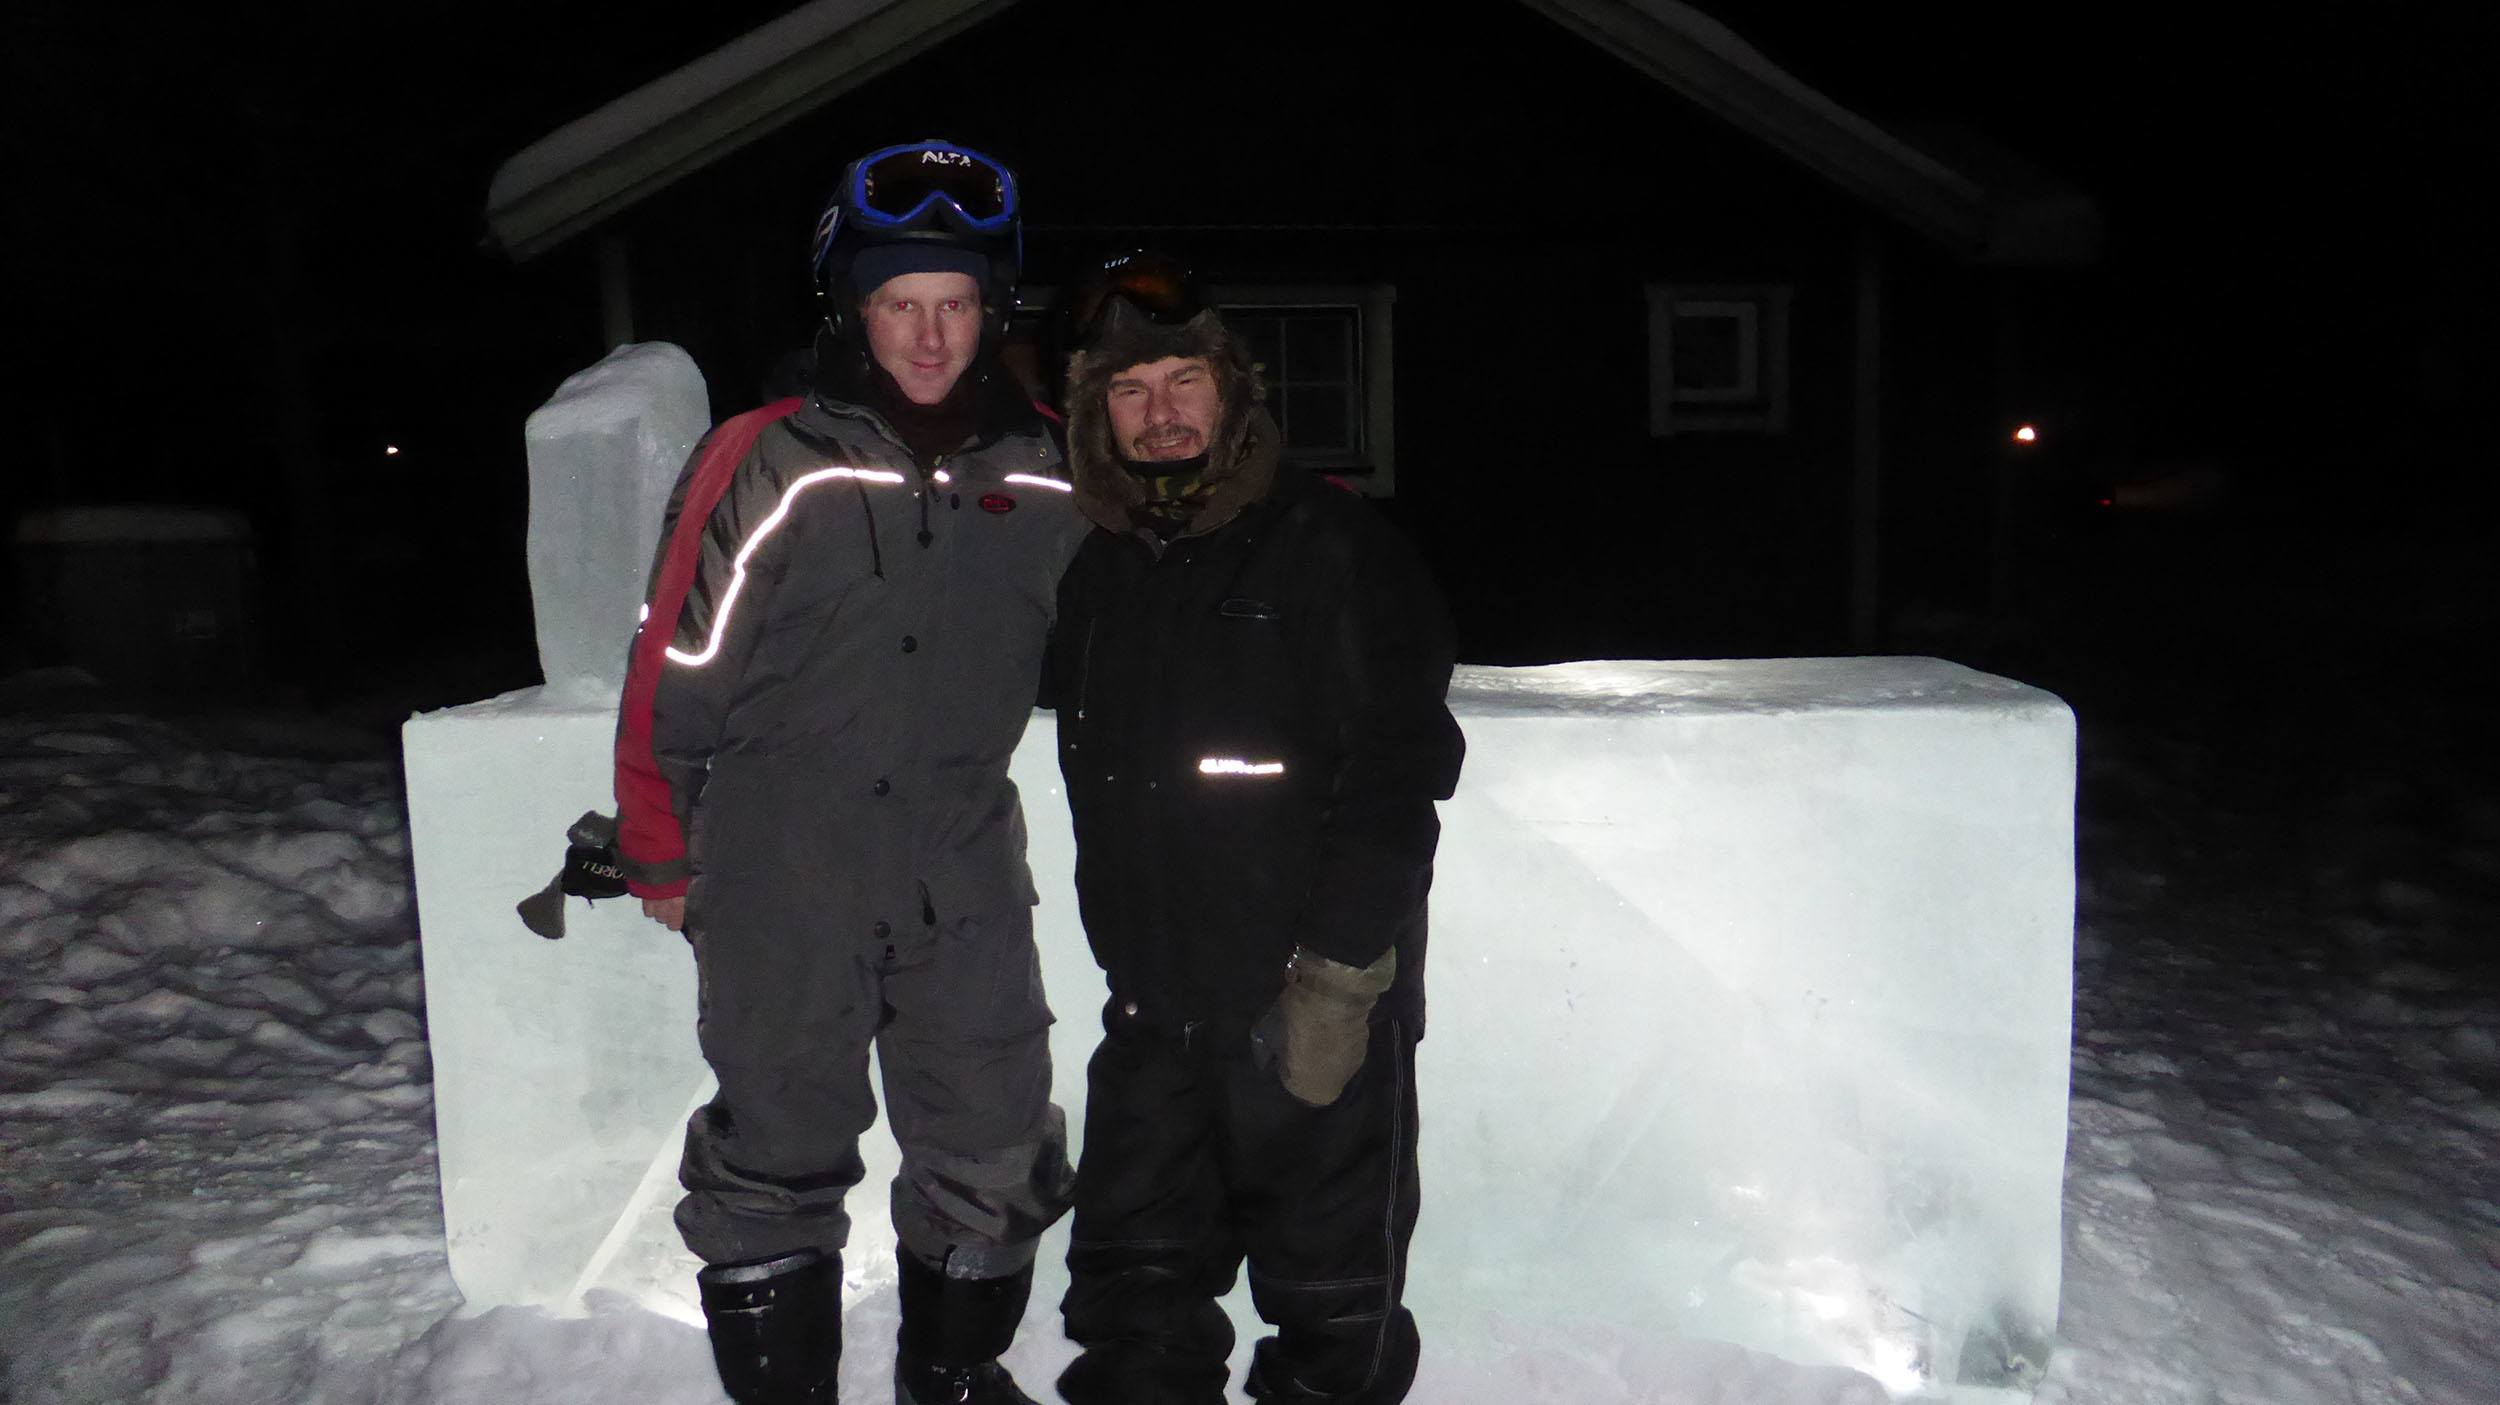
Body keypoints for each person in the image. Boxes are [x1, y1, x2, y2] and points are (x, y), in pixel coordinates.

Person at [613, 139, 1086, 1405]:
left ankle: (949, 1374)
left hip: (963, 859)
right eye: (899, 304)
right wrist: (659, 840)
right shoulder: (771, 456)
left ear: (991, 313)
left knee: (994, 1135)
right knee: (778, 1141)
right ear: (852, 308)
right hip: (783, 855)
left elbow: (1142, 610)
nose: (929, 335)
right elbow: (674, 661)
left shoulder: (1047, 467)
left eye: (955, 304)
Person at [1043, 252, 1465, 1404]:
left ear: (1232, 390)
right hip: (1151, 1020)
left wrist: (1336, 982)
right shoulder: (1101, 572)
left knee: (1333, 1314)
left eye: (1183, 377)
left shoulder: (1334, 547)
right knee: (1132, 1301)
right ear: (1096, 413)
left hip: (1304, 1008)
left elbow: (1401, 770)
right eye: (1129, 391)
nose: (1161, 410)